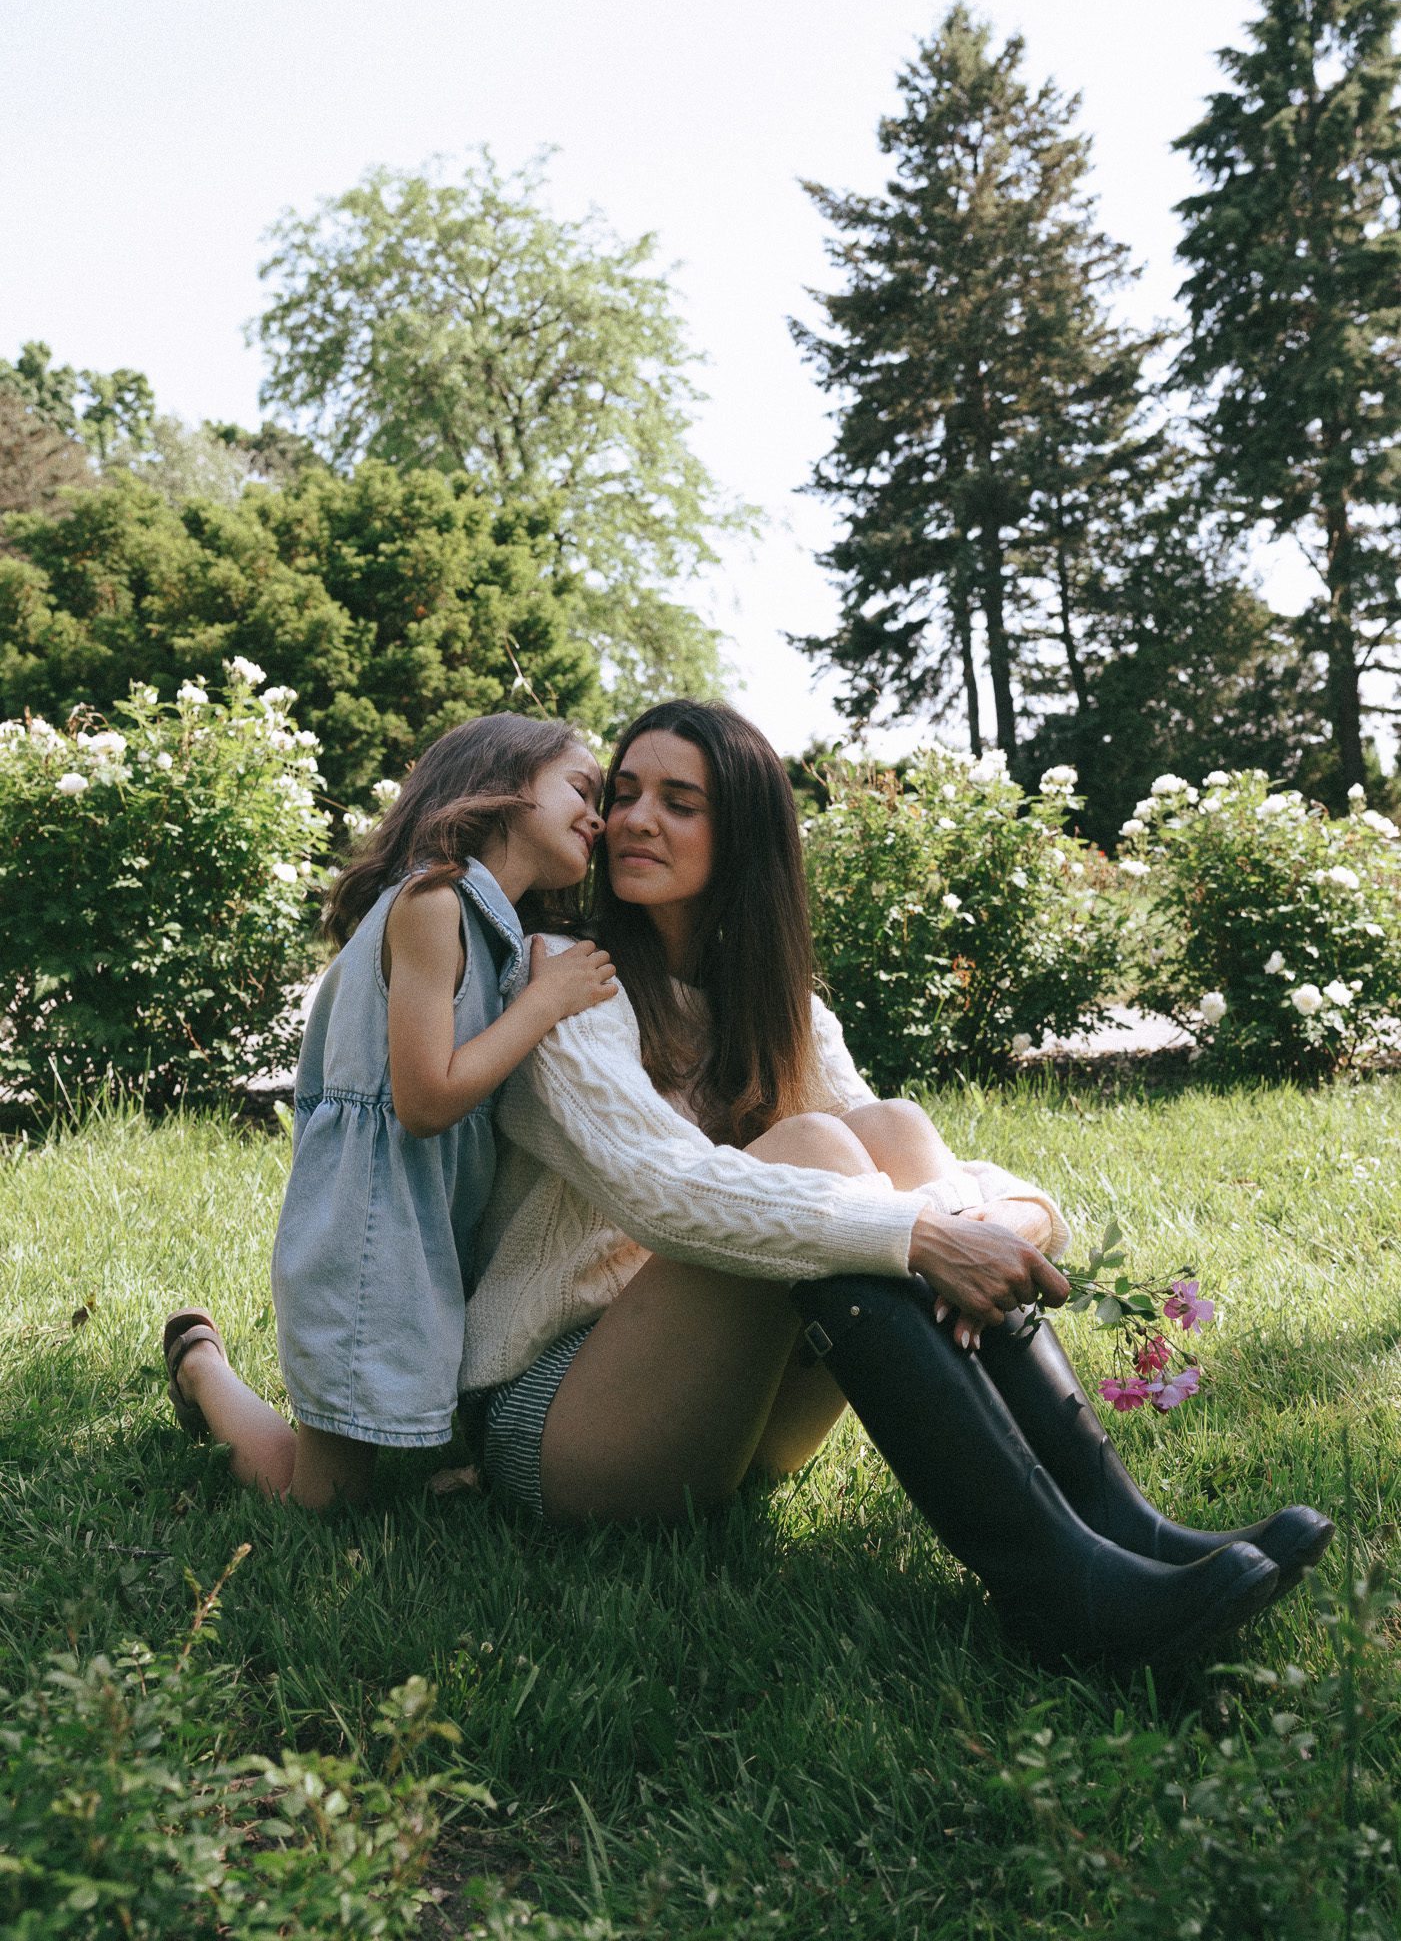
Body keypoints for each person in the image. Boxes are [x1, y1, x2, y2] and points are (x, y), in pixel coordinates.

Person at [465, 699, 1331, 1666]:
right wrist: (918, 1238)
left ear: (745, 833)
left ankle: (1123, 1529)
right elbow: (664, 1194)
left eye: (679, 801)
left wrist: (999, 1218)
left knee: (888, 1129)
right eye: (623, 794)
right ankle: (1056, 1589)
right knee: (819, 1157)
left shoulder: (785, 1010)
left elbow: (928, 1172)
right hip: (567, 1429)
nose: (632, 819)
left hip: (734, 1424)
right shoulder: (567, 978)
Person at [162, 714, 618, 1508]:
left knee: (380, 1440)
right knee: (325, 1498)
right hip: (368, 1227)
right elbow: (425, 1100)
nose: (600, 817)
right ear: (503, 786)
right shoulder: (432, 902)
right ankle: (203, 1368)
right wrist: (545, 1002)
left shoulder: (494, 925)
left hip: (421, 1215)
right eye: (581, 789)